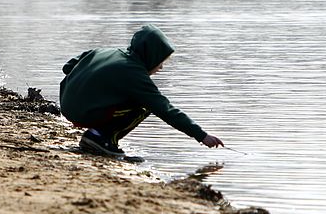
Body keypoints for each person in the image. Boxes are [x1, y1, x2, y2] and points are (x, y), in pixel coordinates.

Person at [59, 24, 224, 158]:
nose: (161, 67)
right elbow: (164, 109)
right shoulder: (134, 73)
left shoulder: (106, 52)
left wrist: (95, 85)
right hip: (83, 113)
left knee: (131, 99)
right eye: (160, 61)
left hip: (65, 103)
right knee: (145, 106)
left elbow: (68, 67)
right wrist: (201, 135)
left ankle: (99, 136)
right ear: (150, 55)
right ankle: (101, 139)